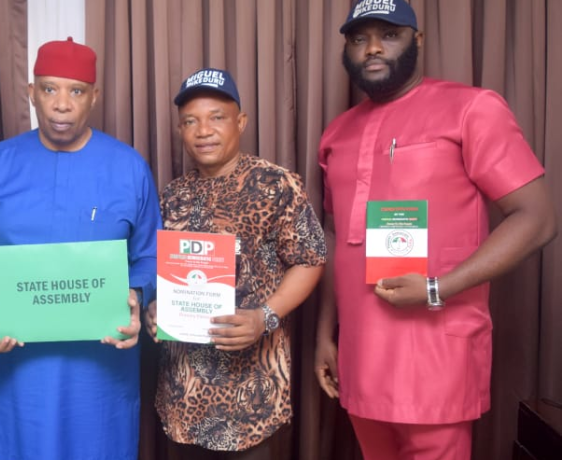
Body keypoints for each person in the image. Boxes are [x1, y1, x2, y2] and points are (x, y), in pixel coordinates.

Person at [315, 1, 557, 459]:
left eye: (389, 35)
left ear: (418, 41)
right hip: (360, 355)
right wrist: (327, 334)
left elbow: (537, 218)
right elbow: (335, 236)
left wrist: (435, 288)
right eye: (359, 38)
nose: (372, 48)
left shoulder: (470, 108)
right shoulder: (337, 133)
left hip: (435, 354)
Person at [0, 37, 160, 459]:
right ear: (30, 92)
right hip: (20, 365)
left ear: (95, 97)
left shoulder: (129, 166)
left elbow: (149, 253)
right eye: (49, 88)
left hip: (104, 370)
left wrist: (136, 294)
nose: (61, 104)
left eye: (77, 91)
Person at [145, 68, 326, 458]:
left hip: (251, 400)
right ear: (179, 131)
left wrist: (265, 316)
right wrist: (155, 309)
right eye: (190, 121)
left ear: (240, 122)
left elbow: (311, 259)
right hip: (182, 397)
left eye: (217, 118)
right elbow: (162, 270)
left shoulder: (276, 184)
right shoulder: (172, 195)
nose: (203, 131)